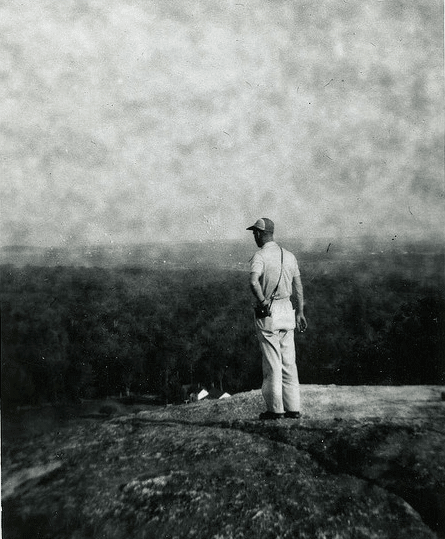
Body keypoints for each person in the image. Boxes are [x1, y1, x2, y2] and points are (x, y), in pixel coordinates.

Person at [246, 218, 307, 420]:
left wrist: (263, 303)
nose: (254, 235)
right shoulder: (289, 256)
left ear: (261, 234)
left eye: (255, 232)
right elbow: (298, 286)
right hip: (287, 309)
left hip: (269, 313)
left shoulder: (260, 256)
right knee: (289, 362)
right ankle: (294, 408)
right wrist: (300, 312)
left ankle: (275, 410)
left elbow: (253, 282)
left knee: (272, 362)